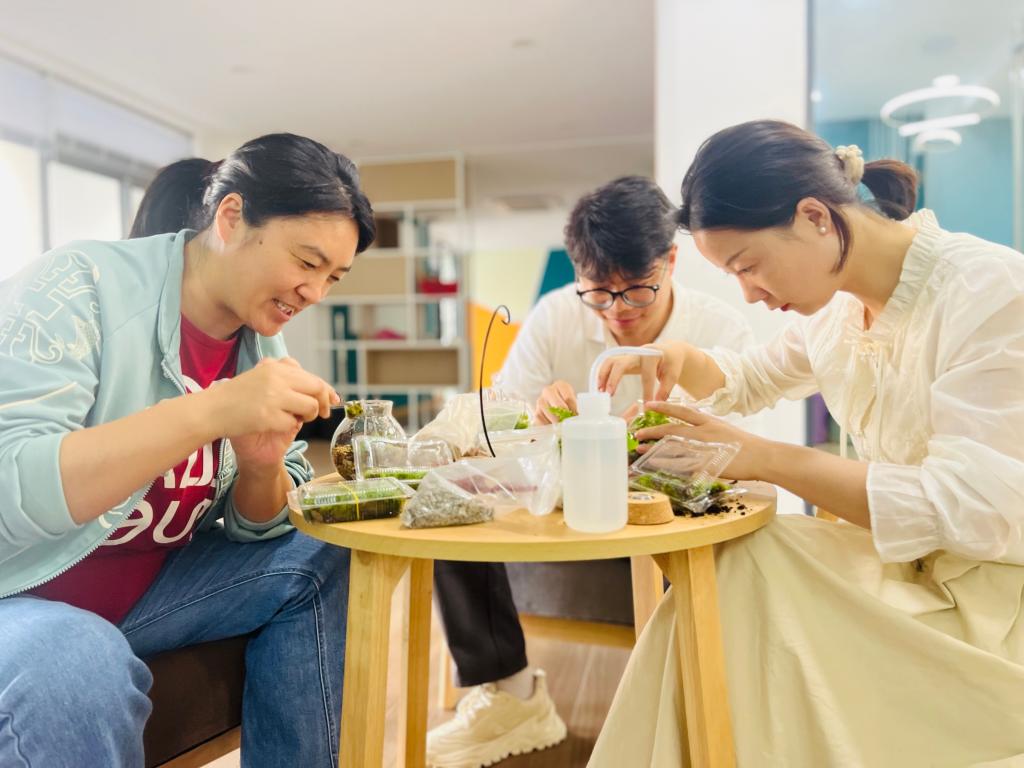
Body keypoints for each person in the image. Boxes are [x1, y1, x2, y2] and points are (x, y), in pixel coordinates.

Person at [587, 120, 1024, 766]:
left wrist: (764, 458)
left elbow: (973, 510)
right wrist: (676, 355)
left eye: (748, 266)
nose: (749, 294)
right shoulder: (840, 312)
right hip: (906, 572)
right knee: (726, 565)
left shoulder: (987, 291)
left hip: (993, 612)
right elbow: (750, 376)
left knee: (741, 577)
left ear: (815, 216)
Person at [0, 133, 375, 768]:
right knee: (73, 658)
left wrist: (260, 467)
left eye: (332, 277)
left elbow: (260, 524)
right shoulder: (78, 284)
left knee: (323, 550)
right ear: (231, 217)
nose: (315, 293)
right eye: (306, 262)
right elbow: (12, 491)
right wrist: (211, 411)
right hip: (18, 595)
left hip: (143, 594)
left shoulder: (258, 341)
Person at [427, 176, 755, 767]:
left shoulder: (718, 331)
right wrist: (535, 419)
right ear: (578, 274)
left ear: (671, 261)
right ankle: (511, 695)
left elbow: (728, 460)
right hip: (561, 515)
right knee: (451, 502)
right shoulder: (556, 315)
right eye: (599, 293)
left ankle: (693, 704)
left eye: (637, 291)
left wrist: (654, 443)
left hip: (665, 525)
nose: (618, 311)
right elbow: (494, 427)